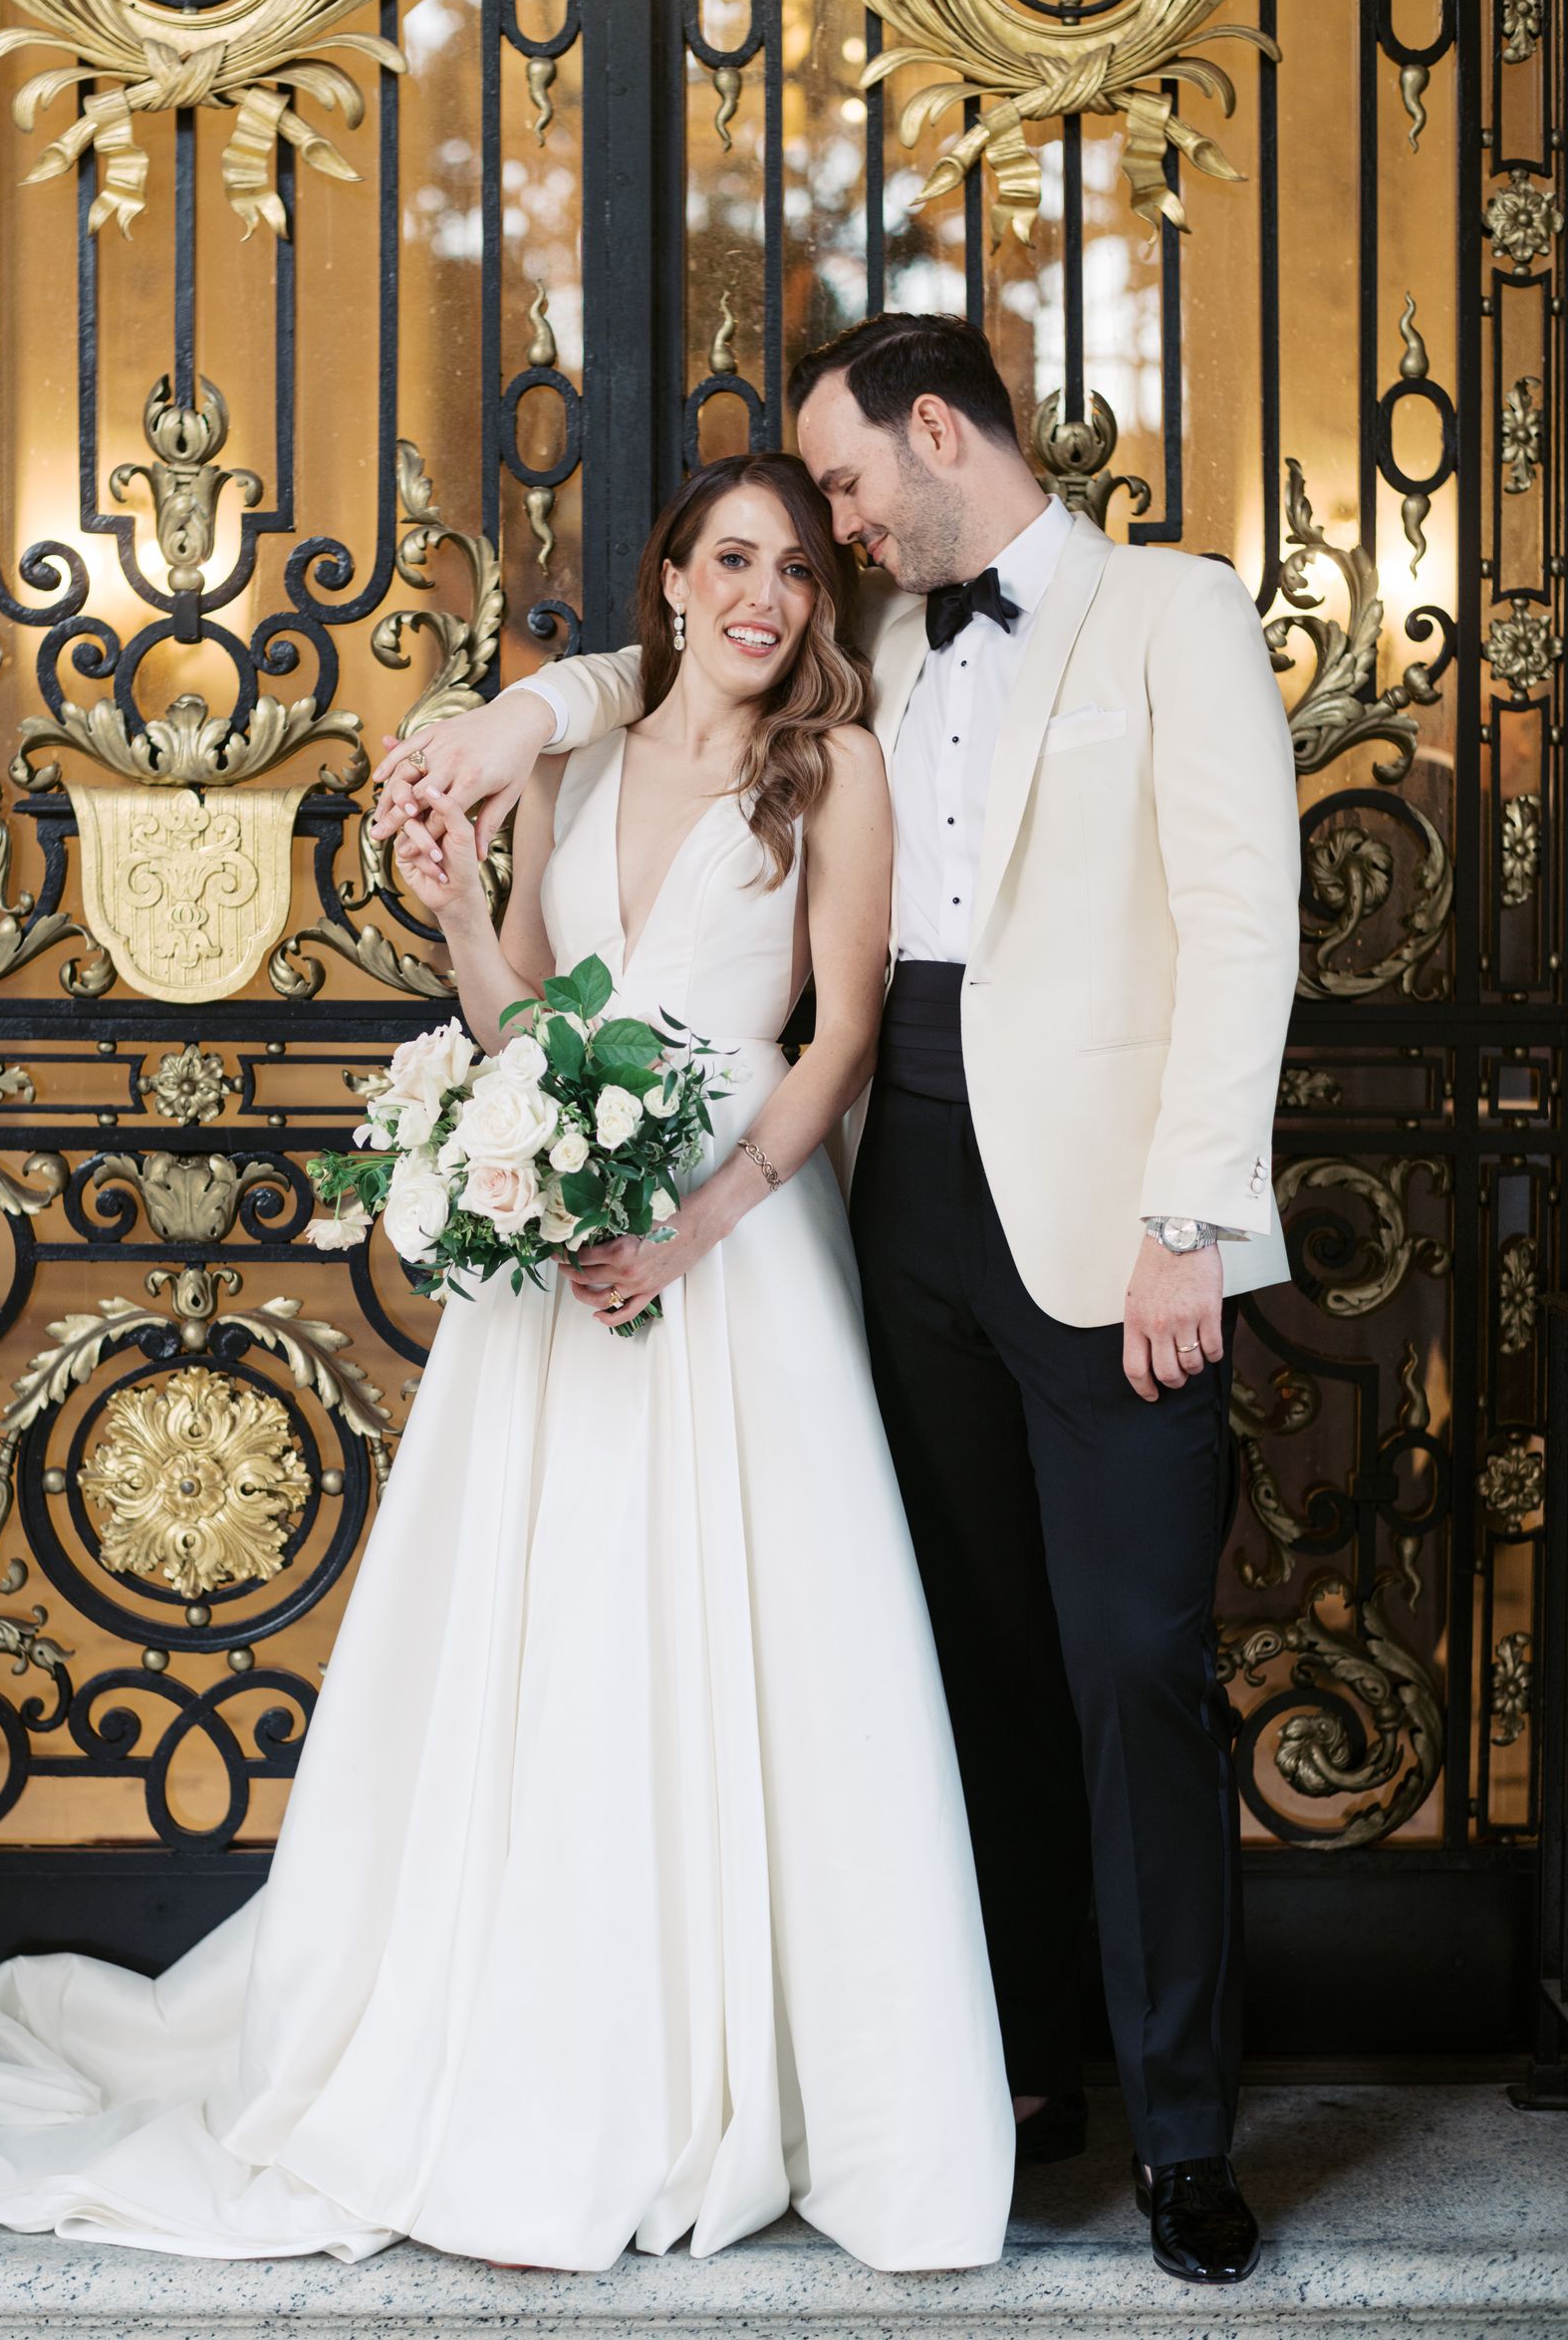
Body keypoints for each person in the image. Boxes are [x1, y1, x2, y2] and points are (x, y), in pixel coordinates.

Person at [0, 449, 1015, 2276]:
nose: (766, 594)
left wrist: (695, 1227)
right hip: (559, 1275)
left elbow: (840, 1039)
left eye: (794, 564)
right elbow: (530, 1018)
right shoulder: (581, 757)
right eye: (732, 560)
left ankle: (747, 2072)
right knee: (544, 1653)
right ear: (675, 579)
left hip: (744, 1255)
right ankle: (532, 2059)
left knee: (760, 1656)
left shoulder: (833, 769)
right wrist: (463, 909)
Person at [373, 315, 1300, 2288]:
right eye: (793, 528)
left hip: (1109, 1207)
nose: (832, 538)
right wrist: (520, 718)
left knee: (1135, 1654)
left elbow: (1243, 920)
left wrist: (1189, 1219)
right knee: (962, 1655)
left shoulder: (1172, 612)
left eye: (850, 493)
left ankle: (1188, 2137)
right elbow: (671, 672)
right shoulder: (871, 634)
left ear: (936, 431)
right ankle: (1015, 2060)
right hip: (907, 1202)